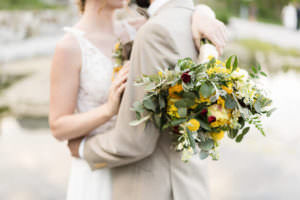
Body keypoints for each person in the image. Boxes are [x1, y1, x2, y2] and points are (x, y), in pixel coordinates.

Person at [49, 0, 227, 199]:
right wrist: (108, 110)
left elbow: (174, 13)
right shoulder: (69, 46)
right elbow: (57, 125)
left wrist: (203, 13)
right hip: (96, 169)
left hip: (137, 175)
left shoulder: (136, 29)